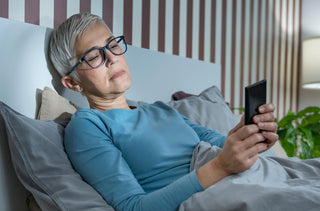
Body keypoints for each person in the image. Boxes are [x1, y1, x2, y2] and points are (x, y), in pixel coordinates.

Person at [49, 13, 278, 210]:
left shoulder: (160, 110)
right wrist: (221, 166)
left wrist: (251, 137)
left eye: (113, 45)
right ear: (72, 83)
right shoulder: (88, 125)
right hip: (213, 195)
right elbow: (133, 206)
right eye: (94, 56)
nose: (111, 58)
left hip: (246, 179)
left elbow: (220, 144)